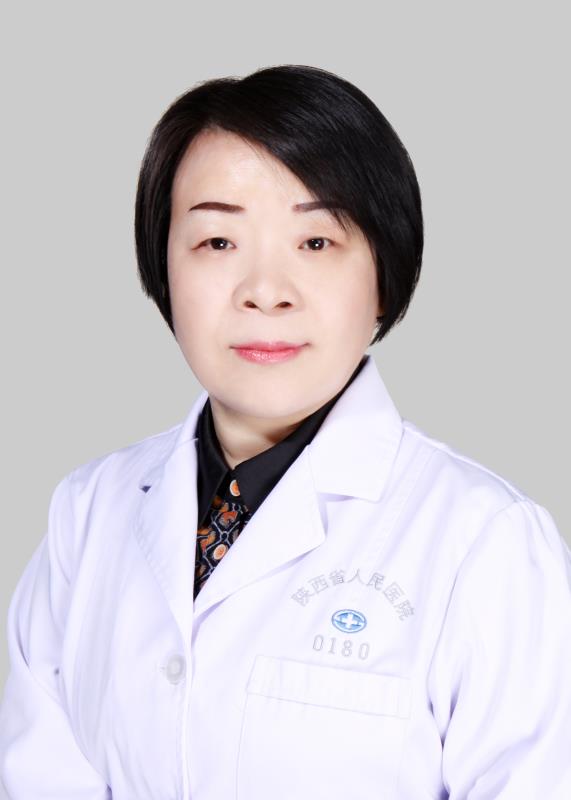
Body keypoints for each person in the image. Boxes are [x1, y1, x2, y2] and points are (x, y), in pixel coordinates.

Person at [0, 63, 570, 800]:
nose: (265, 292)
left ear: (384, 274)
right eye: (217, 242)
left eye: (316, 243)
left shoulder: (485, 542)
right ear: (163, 270)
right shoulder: (87, 515)